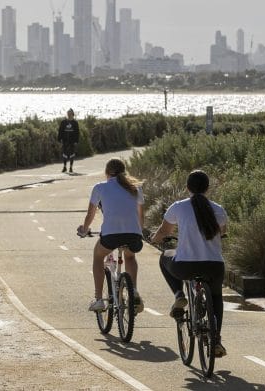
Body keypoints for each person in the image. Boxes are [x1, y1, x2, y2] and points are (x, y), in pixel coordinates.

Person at [150, 170, 228, 357]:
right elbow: (223, 232)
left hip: (186, 266)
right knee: (216, 296)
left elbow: (164, 231)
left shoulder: (179, 207)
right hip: (215, 266)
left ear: (187, 188)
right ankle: (216, 339)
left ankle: (178, 295)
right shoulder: (219, 209)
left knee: (165, 256)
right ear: (208, 188)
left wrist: (155, 239)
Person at [77, 158, 145, 313]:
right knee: (130, 257)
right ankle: (133, 291)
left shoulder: (100, 187)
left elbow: (90, 214)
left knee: (98, 256)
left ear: (107, 173)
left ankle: (99, 299)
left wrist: (84, 229)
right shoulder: (135, 187)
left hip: (111, 236)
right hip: (133, 235)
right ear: (124, 171)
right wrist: (139, 232)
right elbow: (141, 215)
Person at [57, 108, 79, 173]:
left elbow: (77, 132)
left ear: (72, 114)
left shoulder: (75, 123)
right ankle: (64, 167)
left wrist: (76, 141)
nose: (69, 115)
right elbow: (60, 130)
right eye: (68, 113)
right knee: (64, 154)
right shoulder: (63, 122)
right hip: (65, 140)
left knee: (72, 154)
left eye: (70, 114)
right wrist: (59, 139)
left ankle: (71, 167)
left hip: (72, 141)